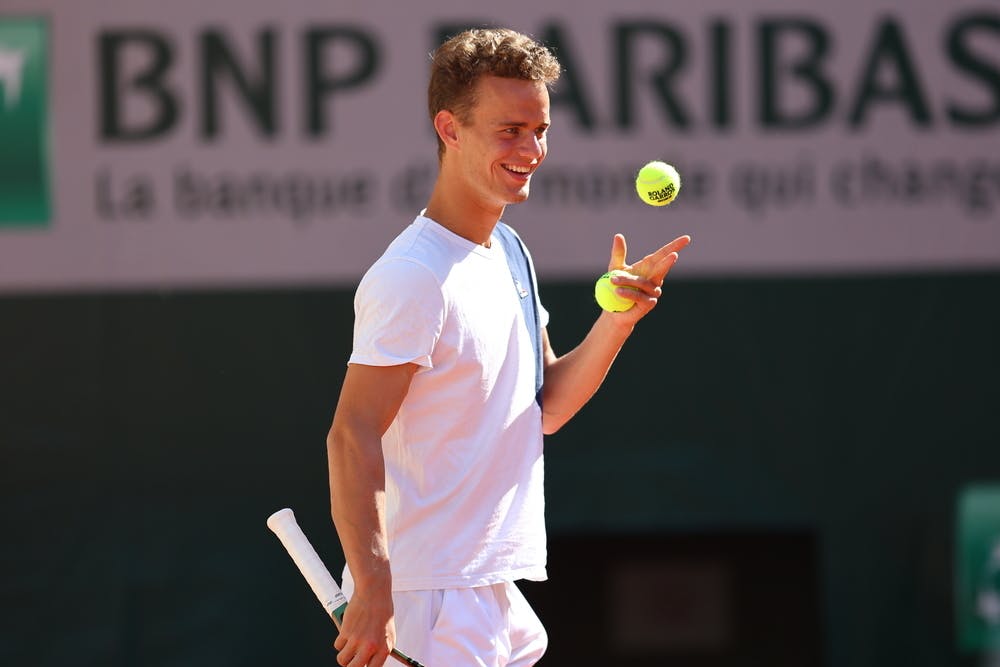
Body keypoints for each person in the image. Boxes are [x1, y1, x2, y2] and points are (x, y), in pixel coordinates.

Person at [326, 27, 691, 667]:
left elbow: (544, 405)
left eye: (540, 128)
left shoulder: (510, 251)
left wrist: (618, 322)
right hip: (429, 597)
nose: (532, 148)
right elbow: (351, 433)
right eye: (510, 130)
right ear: (450, 129)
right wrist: (374, 583)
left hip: (492, 586)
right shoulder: (411, 276)